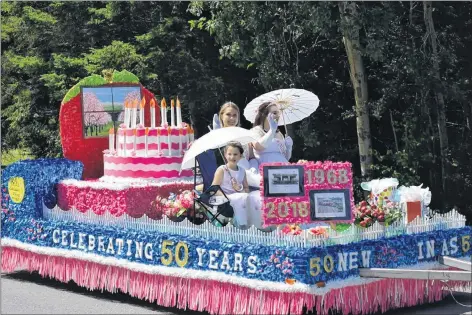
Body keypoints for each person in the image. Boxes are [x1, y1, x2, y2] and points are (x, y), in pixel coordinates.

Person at [211, 142, 255, 229]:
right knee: (240, 198)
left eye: (235, 154)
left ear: (240, 155)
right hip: (223, 199)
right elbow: (214, 189)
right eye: (229, 154)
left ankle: (251, 224)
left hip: (239, 197)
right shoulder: (222, 170)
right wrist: (227, 197)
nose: (232, 157)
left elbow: (246, 188)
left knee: (253, 197)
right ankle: (241, 225)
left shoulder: (242, 171)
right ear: (225, 155)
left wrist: (240, 189)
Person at [250, 101, 294, 171]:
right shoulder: (255, 131)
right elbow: (258, 146)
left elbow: (285, 157)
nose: (278, 115)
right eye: (274, 113)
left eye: (278, 113)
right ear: (265, 115)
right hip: (266, 170)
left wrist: (289, 148)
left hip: (283, 169)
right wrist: (271, 131)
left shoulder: (279, 133)